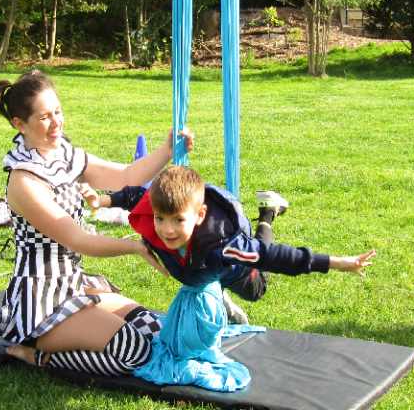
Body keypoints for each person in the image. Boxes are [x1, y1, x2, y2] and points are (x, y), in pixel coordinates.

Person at [86, 165, 376, 390]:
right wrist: (100, 200)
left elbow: (273, 256)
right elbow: (135, 195)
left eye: (178, 220)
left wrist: (336, 263)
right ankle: (217, 291)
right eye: (160, 218)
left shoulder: (226, 246)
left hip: (232, 269)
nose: (167, 230)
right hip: (201, 273)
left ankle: (267, 213)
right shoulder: (157, 209)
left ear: (200, 216)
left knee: (257, 288)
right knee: (207, 271)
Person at [0, 69, 194, 377]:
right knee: (136, 352)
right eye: (44, 117)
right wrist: (136, 247)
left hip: (73, 285)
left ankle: (60, 343)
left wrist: (166, 151)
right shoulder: (24, 181)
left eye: (58, 111)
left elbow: (126, 176)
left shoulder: (65, 155)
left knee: (157, 331)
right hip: (41, 303)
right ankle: (39, 356)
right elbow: (78, 240)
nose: (56, 122)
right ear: (20, 124)